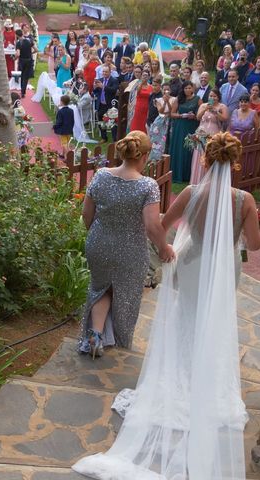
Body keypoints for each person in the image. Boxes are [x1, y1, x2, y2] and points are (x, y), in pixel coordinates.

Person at [72, 131, 260, 480]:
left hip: (190, 266)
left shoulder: (192, 193)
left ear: (206, 160)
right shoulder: (245, 200)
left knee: (185, 316)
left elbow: (162, 225)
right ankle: (205, 378)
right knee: (214, 320)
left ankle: (175, 372)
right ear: (234, 162)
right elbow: (255, 244)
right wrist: (249, 225)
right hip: (221, 271)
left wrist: (171, 245)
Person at [77, 131, 175, 357]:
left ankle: (95, 336)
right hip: (130, 251)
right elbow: (152, 226)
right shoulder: (147, 186)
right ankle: (121, 346)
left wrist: (99, 235)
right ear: (145, 155)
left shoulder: (101, 175)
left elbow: (86, 215)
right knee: (127, 297)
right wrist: (163, 248)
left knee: (101, 288)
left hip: (98, 244)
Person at [189, 88, 228, 184]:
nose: (212, 98)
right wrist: (205, 109)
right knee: (199, 155)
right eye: (211, 96)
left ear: (218, 97)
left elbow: (225, 119)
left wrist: (215, 111)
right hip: (201, 134)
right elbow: (198, 117)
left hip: (214, 134)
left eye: (214, 96)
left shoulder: (222, 107)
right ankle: (197, 180)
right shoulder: (203, 105)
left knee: (210, 156)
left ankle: (210, 181)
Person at [169, 80, 201, 183]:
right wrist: (181, 115)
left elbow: (201, 115)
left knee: (189, 149)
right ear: (183, 89)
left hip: (191, 126)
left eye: (189, 88)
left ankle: (188, 175)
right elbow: (172, 114)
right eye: (186, 88)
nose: (188, 90)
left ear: (193, 88)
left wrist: (194, 116)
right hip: (180, 126)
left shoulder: (198, 99)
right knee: (180, 149)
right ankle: (177, 174)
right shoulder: (179, 99)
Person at [148, 82, 175, 162]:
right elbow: (160, 110)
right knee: (157, 139)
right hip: (160, 120)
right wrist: (165, 102)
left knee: (168, 139)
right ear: (162, 90)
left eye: (168, 89)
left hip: (170, 120)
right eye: (164, 89)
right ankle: (155, 158)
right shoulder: (158, 100)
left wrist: (168, 102)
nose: (166, 91)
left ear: (170, 90)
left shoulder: (174, 99)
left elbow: (171, 111)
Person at [93, 65, 119, 142]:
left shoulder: (114, 80)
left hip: (110, 105)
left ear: (110, 72)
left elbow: (113, 90)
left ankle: (115, 139)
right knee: (101, 121)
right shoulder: (100, 80)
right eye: (103, 71)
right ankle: (104, 137)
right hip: (101, 104)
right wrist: (95, 88)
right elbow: (96, 92)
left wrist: (103, 86)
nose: (104, 73)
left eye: (106, 72)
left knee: (112, 122)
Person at [15, 28, 35, 98]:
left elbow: (18, 54)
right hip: (29, 60)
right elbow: (36, 49)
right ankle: (23, 92)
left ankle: (22, 91)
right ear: (22, 34)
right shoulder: (29, 41)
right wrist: (30, 53)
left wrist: (14, 58)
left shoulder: (18, 43)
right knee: (26, 77)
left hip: (22, 61)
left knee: (22, 76)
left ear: (17, 35)